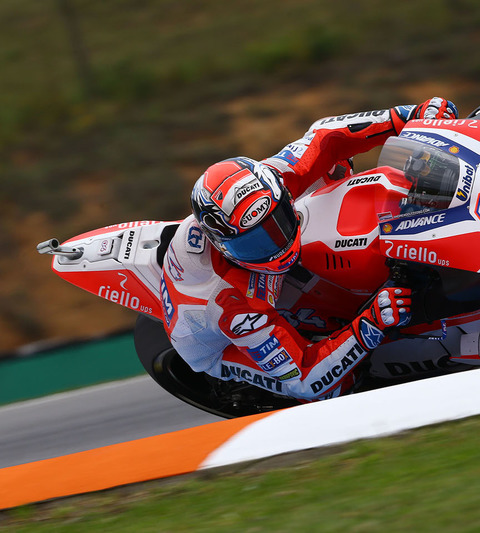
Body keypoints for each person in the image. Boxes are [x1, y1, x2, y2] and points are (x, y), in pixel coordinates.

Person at [160, 98, 459, 401]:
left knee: (336, 168)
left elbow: (324, 136)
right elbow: (305, 378)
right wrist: (370, 322)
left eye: (279, 222)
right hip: (217, 344)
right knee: (336, 387)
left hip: (229, 270)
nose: (276, 246)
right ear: (223, 247)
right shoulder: (233, 306)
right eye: (254, 243)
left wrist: (406, 117)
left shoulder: (269, 180)